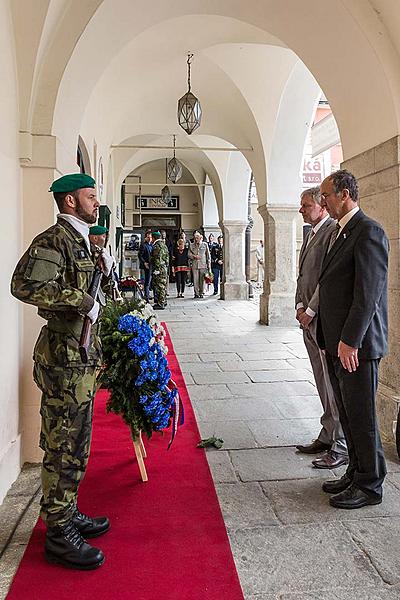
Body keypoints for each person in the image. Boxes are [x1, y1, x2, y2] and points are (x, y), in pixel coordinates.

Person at [11, 173, 112, 570]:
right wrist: (81, 300)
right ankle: (57, 533)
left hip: (80, 358)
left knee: (78, 444)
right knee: (61, 446)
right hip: (61, 360)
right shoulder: (53, 241)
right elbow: (23, 286)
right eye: (90, 197)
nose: (95, 202)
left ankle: (67, 513)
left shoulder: (80, 240)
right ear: (70, 201)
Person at [317, 169, 388, 509]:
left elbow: (368, 293)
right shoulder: (340, 232)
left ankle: (370, 484)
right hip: (337, 343)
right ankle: (356, 471)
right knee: (347, 413)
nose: (322, 202)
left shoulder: (368, 231)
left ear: (344, 193)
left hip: (356, 346)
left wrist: (350, 340)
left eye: (326, 195)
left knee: (362, 417)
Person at [295, 187, 348, 468]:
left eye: (306, 205)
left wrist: (312, 309)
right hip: (307, 317)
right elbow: (302, 275)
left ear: (322, 207)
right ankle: (327, 433)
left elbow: (326, 278)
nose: (301, 210)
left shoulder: (330, 232)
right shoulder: (310, 233)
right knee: (320, 379)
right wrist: (298, 306)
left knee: (331, 382)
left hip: (322, 318)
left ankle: (340, 443)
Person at [188, 231, 211, 299]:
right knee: (195, 280)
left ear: (201, 238)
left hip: (203, 265)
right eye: (195, 238)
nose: (196, 239)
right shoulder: (191, 245)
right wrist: (194, 256)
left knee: (202, 280)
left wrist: (209, 265)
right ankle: (196, 293)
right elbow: (188, 254)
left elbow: (208, 255)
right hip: (195, 265)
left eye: (197, 238)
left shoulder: (205, 244)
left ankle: (201, 293)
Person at [151, 230, 169, 309]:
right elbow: (167, 257)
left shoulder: (156, 246)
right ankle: (164, 301)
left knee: (159, 286)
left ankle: (160, 303)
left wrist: (156, 269)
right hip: (164, 268)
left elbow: (156, 258)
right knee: (163, 285)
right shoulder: (164, 245)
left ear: (154, 238)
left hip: (158, 268)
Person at [138, 230, 153, 302]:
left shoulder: (151, 245)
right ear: (145, 238)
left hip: (150, 266)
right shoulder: (143, 245)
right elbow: (140, 255)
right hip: (145, 266)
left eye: (150, 237)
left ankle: (147, 294)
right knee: (146, 282)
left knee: (149, 282)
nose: (149, 238)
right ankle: (146, 297)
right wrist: (144, 263)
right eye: (148, 237)